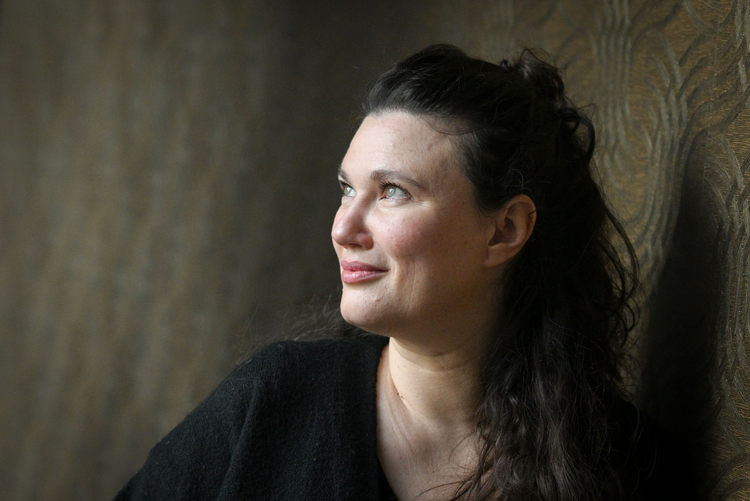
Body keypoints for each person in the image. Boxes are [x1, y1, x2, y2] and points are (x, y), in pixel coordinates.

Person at [115, 44, 692, 500]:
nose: (343, 228)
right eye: (347, 189)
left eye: (392, 191)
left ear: (504, 230)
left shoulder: (628, 467)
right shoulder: (274, 402)